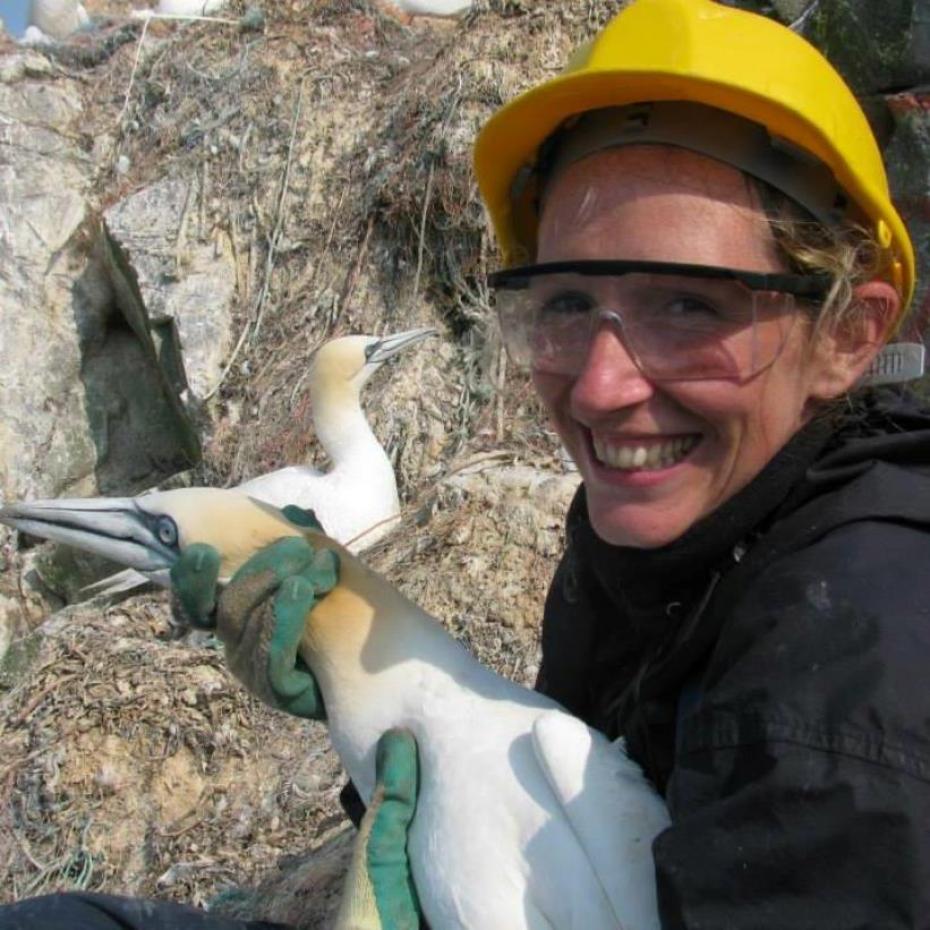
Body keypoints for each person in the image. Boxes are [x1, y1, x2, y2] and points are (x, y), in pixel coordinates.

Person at [4, 0, 929, 927]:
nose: (602, 390)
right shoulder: (681, 525)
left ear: (848, 335)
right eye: (565, 301)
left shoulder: (851, 704)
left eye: (690, 306)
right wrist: (358, 692)